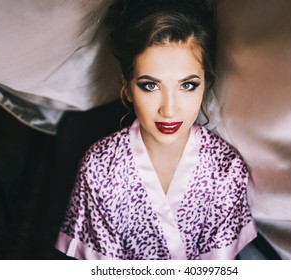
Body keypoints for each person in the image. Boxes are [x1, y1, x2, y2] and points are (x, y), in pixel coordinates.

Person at [55, 0, 257, 260]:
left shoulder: (226, 170)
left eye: (187, 85)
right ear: (127, 87)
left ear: (206, 83)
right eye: (150, 86)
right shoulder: (99, 167)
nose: (169, 110)